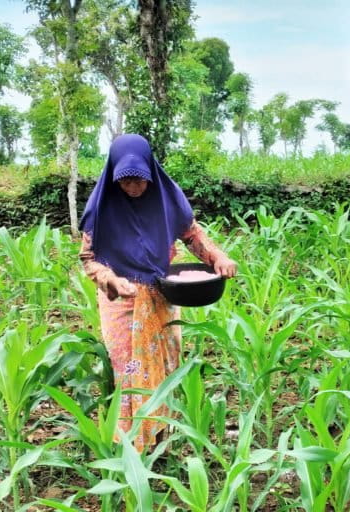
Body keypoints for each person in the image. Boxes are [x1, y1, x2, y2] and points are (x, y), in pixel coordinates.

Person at [78, 133, 236, 452]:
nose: (134, 188)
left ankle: (162, 437)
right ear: (113, 178)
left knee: (166, 364)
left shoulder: (166, 198)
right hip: (121, 302)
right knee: (128, 371)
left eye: (140, 181)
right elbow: (88, 259)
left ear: (151, 173)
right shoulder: (102, 208)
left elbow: (191, 235)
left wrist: (217, 256)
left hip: (162, 295)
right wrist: (110, 279)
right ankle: (130, 445)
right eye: (126, 182)